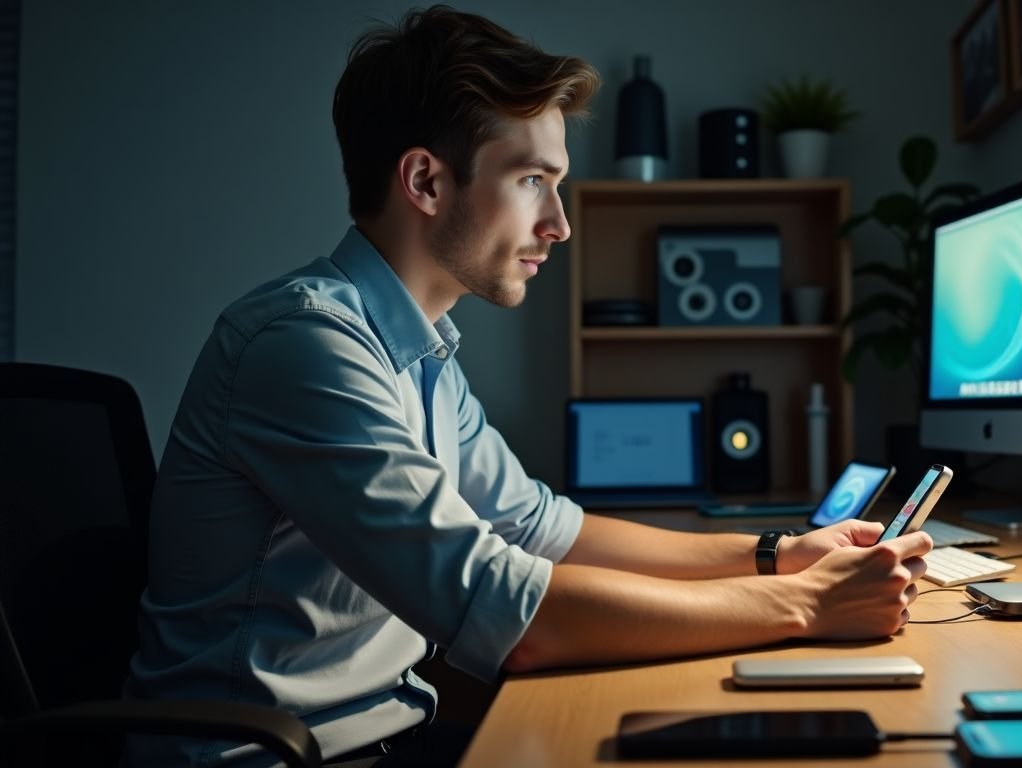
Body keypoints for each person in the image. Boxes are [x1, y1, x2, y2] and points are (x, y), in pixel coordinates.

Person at [125, 6, 931, 767]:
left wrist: (778, 556)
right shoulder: (303, 346)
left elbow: (545, 530)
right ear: (426, 181)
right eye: (532, 181)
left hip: (379, 739)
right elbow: (503, 607)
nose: (561, 223)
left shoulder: (422, 354)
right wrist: (807, 607)